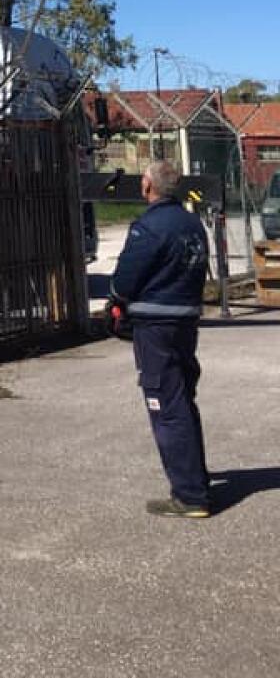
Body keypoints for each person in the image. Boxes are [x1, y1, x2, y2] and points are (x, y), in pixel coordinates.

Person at [110, 157, 212, 517]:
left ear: (148, 186)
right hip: (186, 320)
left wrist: (118, 303)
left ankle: (190, 495)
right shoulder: (192, 224)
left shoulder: (149, 227)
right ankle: (195, 477)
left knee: (166, 405)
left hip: (155, 325)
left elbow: (124, 280)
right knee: (182, 399)